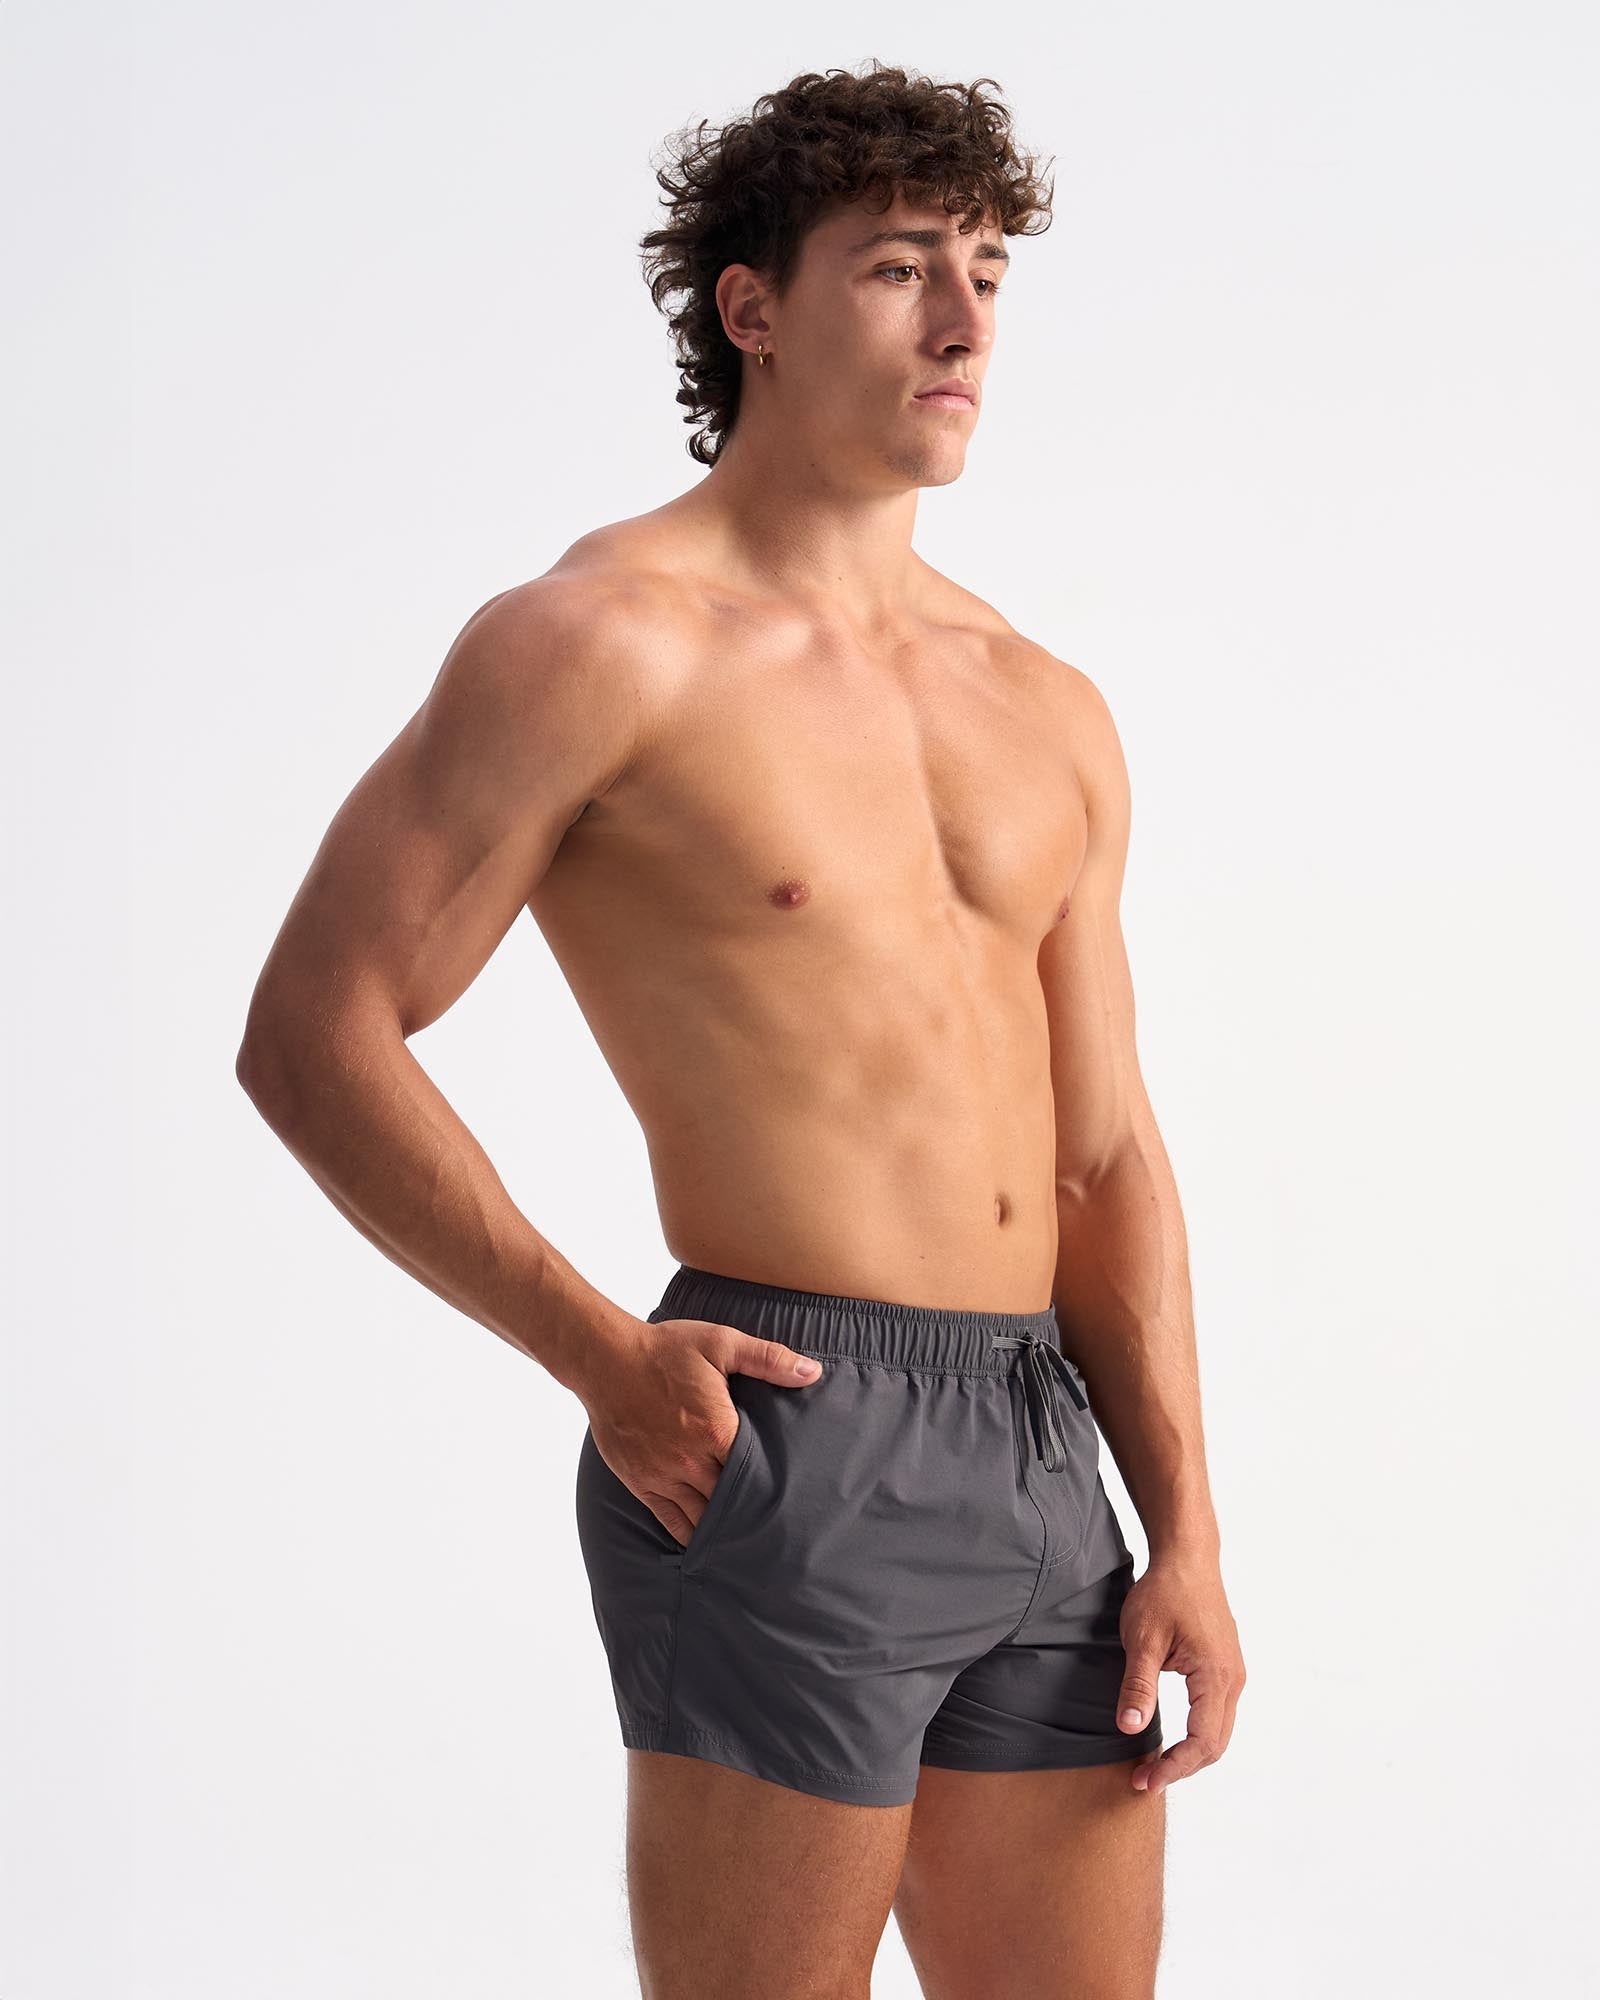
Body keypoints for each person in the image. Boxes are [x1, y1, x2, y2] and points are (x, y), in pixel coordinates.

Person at [237, 59, 1244, 2000]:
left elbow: (1104, 1152)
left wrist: (1183, 1527)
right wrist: (598, 1356)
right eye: (898, 267)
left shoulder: (1042, 702)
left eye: (986, 272)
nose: (962, 323)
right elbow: (316, 1031)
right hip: (784, 1425)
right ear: (753, 307)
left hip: (1045, 1450)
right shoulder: (598, 641)